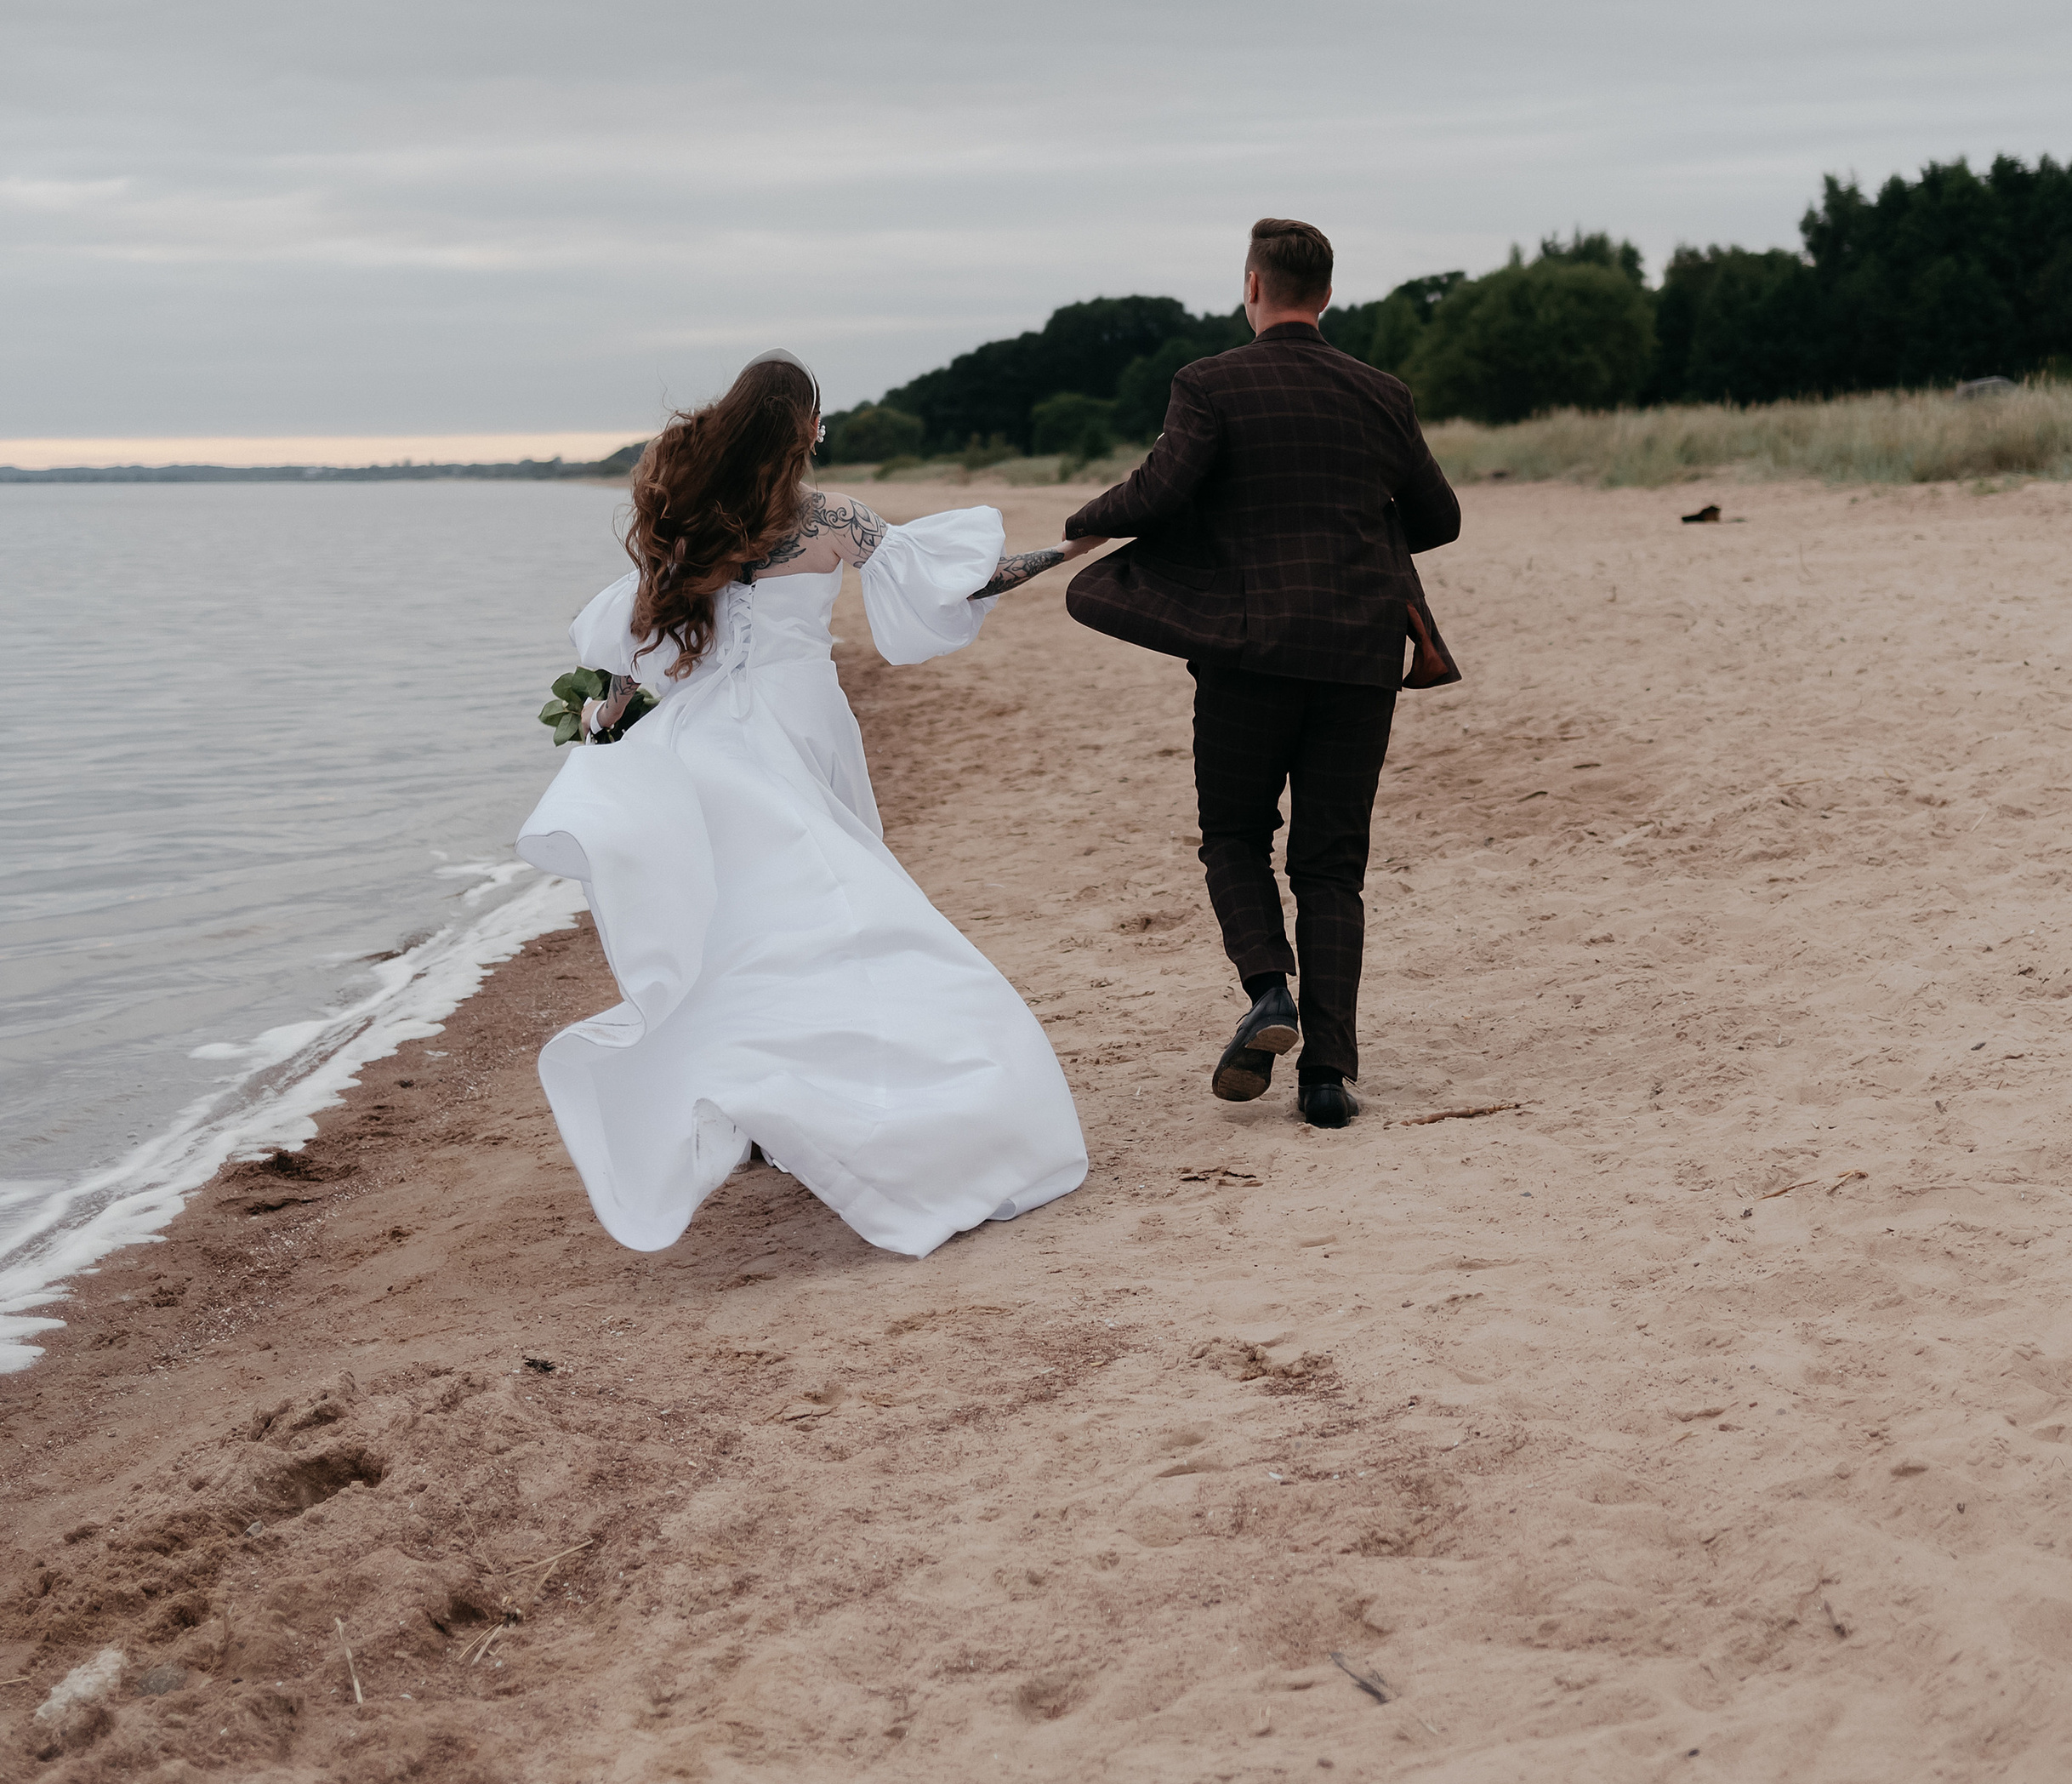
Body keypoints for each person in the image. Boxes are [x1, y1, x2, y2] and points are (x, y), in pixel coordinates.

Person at [515, 351, 1098, 1260]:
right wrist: (1065, 550)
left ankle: (754, 1105)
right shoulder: (829, 519)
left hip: (704, 747)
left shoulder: (689, 524)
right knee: (844, 919)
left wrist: (605, 731)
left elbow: (634, 655)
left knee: (736, 927)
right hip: (793, 731)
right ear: (801, 430)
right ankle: (860, 1109)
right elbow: (960, 584)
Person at [1061, 217, 1461, 1129]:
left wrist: (1089, 521)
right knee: (1331, 865)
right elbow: (1436, 518)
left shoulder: (1209, 383)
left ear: (1253, 287)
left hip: (1249, 655)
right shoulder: (1381, 393)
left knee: (1233, 834)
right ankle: (1327, 1077)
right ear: (1325, 293)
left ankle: (1267, 991)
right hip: (1360, 656)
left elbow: (1160, 490)